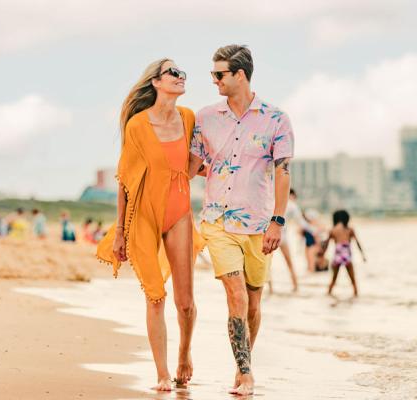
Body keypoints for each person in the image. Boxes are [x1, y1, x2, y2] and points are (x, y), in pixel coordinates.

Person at [189, 44, 294, 396]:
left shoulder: (276, 118)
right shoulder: (204, 118)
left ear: (240, 75)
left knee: (252, 301)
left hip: (259, 222)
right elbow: (191, 167)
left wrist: (277, 221)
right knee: (235, 295)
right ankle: (247, 374)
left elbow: (283, 172)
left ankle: (240, 364)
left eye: (219, 74)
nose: (214, 80)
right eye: (213, 74)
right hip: (217, 220)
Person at [96, 58, 199, 392]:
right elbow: (126, 181)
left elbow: (195, 164)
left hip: (180, 212)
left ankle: (184, 354)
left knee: (185, 301)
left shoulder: (188, 118)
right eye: (173, 72)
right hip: (144, 217)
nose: (180, 76)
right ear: (155, 82)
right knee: (155, 297)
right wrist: (120, 233)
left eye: (182, 72)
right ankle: (162, 373)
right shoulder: (137, 126)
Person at [322, 210, 365, 297]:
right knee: (353, 280)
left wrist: (322, 255)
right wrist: (362, 255)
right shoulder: (349, 229)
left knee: (333, 279)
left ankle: (328, 295)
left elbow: (326, 245)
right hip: (346, 255)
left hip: (337, 255)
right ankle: (356, 296)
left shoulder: (332, 230)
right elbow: (357, 243)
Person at [268, 188, 300, 293]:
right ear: (292, 195)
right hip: (283, 237)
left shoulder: (274, 201)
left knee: (267, 264)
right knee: (290, 263)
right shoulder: (292, 205)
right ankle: (296, 286)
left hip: (270, 235)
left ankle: (271, 289)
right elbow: (301, 222)